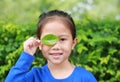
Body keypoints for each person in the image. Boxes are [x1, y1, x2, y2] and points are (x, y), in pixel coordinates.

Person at [5, 10, 97, 82]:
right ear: (40, 43)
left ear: (73, 43)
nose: (56, 46)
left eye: (62, 39)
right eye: (49, 40)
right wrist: (26, 55)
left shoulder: (85, 78)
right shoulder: (34, 76)